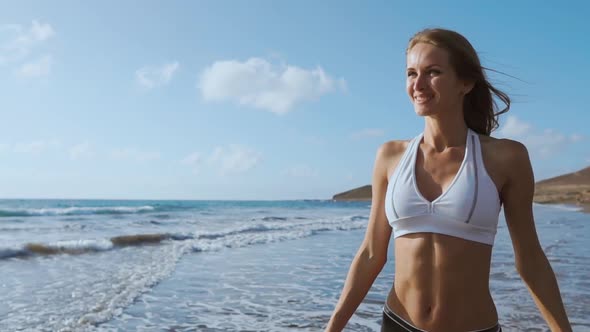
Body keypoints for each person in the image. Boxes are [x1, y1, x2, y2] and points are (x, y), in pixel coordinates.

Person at [325, 28, 572, 332]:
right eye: (411, 73)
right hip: (398, 323)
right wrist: (333, 327)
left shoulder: (506, 158)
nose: (418, 84)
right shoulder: (390, 156)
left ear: (465, 83)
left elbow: (530, 259)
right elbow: (371, 254)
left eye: (433, 72)